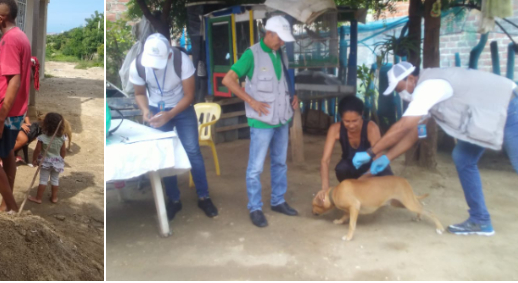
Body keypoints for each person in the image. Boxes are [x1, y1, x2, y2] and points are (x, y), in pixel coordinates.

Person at [357, 62, 518, 265]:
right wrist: (386, 158)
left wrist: (372, 151)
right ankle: (480, 220)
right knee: (463, 157)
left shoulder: (429, 86)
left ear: (411, 79)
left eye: (400, 89)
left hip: (509, 105)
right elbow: (414, 132)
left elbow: (404, 124)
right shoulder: (423, 94)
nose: (401, 95)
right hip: (484, 114)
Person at [130, 33, 219, 220]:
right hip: (156, 108)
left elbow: (189, 95)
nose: (153, 65)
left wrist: (170, 114)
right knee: (165, 153)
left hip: (182, 108)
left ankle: (204, 196)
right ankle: (173, 200)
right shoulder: (138, 65)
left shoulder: (181, 61)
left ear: (169, 55)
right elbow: (139, 93)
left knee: (193, 151)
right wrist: (145, 110)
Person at [222, 15, 299, 228]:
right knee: (255, 168)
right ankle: (255, 207)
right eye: (280, 38)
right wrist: (251, 101)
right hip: (262, 122)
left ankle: (278, 201)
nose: (282, 42)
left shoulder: (280, 53)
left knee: (280, 163)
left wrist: (293, 94)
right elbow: (228, 79)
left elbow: (283, 80)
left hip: (282, 118)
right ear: (269, 33)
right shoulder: (251, 54)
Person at [0, 0, 32, 213]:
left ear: (2, 18)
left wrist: (0, 119)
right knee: (7, 154)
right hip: (14, 110)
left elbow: (15, 81)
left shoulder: (10, 40)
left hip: (6, 113)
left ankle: (12, 207)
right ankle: (6, 207)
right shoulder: (20, 36)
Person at [315, 94, 390, 205]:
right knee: (341, 168)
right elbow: (325, 161)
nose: (351, 125)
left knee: (386, 177)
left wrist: (364, 178)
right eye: (347, 121)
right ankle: (353, 193)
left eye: (355, 121)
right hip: (351, 167)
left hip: (372, 167)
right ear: (341, 118)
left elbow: (378, 158)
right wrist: (325, 188)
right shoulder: (335, 129)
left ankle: (372, 193)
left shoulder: (371, 127)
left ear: (362, 115)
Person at [27, 112, 67, 204]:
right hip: (57, 161)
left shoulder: (42, 137)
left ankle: (38, 198)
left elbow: (37, 150)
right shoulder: (62, 137)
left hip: (45, 162)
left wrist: (34, 159)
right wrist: (61, 160)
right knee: (55, 179)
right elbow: (63, 151)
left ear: (45, 124)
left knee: (43, 180)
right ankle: (54, 198)